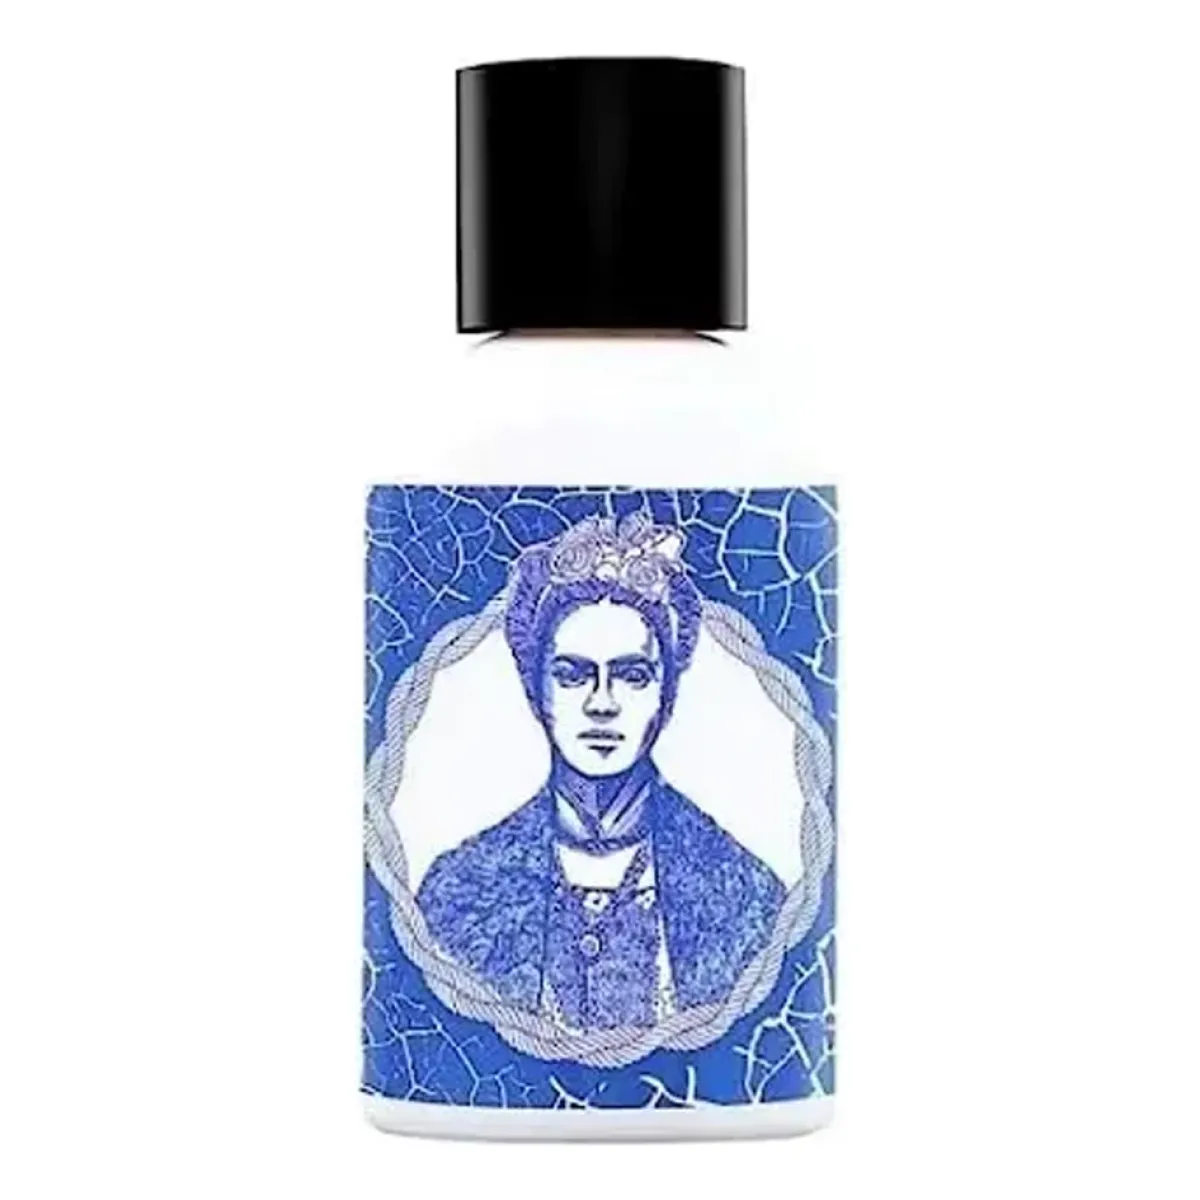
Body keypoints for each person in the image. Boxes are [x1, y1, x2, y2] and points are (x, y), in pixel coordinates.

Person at [416, 513, 784, 1030]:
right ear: (536, 690)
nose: (602, 703)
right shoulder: (458, 890)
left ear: (667, 693)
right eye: (572, 675)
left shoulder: (745, 895)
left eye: (632, 675)